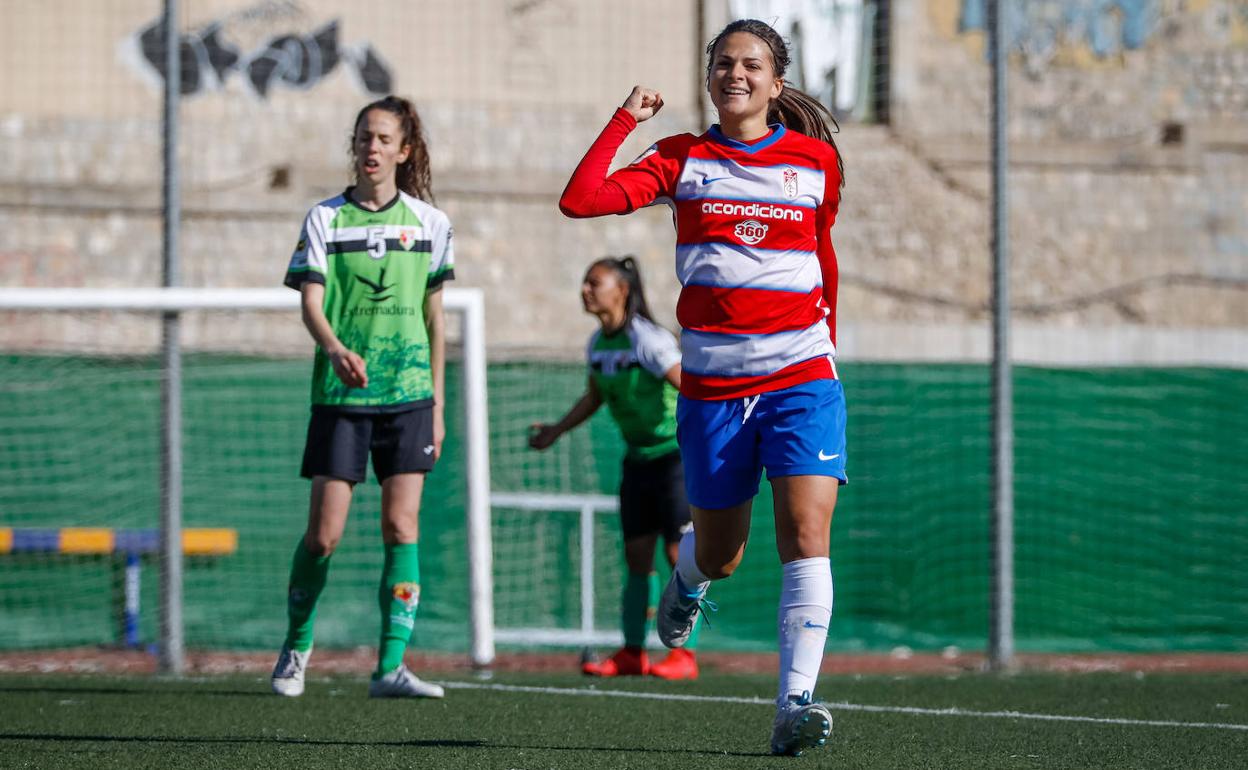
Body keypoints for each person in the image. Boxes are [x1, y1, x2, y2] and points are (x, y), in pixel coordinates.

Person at [558, 19, 847, 757]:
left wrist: (825, 344)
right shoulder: (683, 159)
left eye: (752, 64)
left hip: (803, 377)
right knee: (721, 555)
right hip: (715, 392)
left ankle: (794, 705)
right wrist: (626, 118)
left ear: (776, 83)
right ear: (708, 77)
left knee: (806, 538)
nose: (736, 74)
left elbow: (823, 262)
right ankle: (686, 581)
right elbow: (581, 201)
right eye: (723, 63)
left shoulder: (816, 162)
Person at [271, 95, 454, 700]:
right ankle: (297, 646)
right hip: (341, 397)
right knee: (324, 535)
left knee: (402, 527)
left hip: (409, 396)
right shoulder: (325, 219)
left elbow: (435, 320)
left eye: (381, 139)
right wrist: (333, 348)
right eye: (362, 138)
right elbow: (310, 302)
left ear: (404, 151)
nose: (370, 148)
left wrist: (438, 404)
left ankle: (390, 667)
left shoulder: (430, 224)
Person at [529, 256, 700, 681]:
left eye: (594, 283)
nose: (585, 290)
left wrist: (713, 434)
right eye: (584, 283)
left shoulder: (649, 339)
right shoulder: (598, 344)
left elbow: (690, 387)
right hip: (637, 461)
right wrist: (556, 430)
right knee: (636, 558)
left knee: (680, 555)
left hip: (674, 459)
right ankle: (631, 652)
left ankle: (684, 655)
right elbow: (594, 397)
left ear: (621, 290)